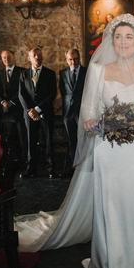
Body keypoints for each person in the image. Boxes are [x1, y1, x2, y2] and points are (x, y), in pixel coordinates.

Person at [15, 14, 134, 268]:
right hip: (109, 146)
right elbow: (89, 108)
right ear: (111, 41)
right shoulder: (99, 69)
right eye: (118, 37)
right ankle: (112, 263)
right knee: (114, 204)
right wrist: (91, 121)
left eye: (129, 37)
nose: (123, 41)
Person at [18, 47, 57, 178]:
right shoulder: (24, 74)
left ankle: (51, 168)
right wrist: (30, 110)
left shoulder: (50, 74)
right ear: (29, 58)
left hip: (45, 112)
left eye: (39, 55)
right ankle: (31, 169)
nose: (37, 57)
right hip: (29, 114)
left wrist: (38, 109)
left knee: (48, 141)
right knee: (30, 141)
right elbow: (21, 94)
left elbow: (52, 94)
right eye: (34, 55)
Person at [59, 48, 86, 176]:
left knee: (83, 140)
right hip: (68, 113)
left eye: (75, 59)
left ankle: (83, 166)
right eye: (70, 59)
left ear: (79, 58)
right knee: (70, 140)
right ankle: (72, 167)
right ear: (66, 60)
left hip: (83, 112)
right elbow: (64, 92)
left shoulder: (87, 72)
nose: (73, 62)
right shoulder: (63, 73)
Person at [0, 50, 26, 162]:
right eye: (4, 57)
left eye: (9, 57)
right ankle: (11, 160)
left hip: (19, 109)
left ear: (13, 57)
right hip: (5, 111)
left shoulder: (22, 72)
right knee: (8, 137)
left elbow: (23, 90)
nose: (6, 59)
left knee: (21, 136)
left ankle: (23, 160)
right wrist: (3, 102)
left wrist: (12, 102)